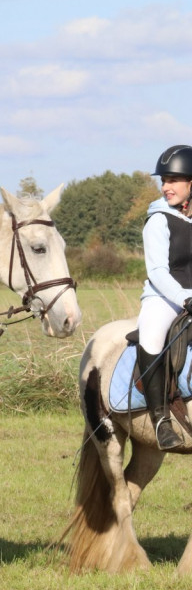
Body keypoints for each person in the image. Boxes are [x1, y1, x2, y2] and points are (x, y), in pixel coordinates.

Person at [136, 144, 192, 450]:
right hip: (164, 297)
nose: (166, 186)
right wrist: (184, 299)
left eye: (173, 180)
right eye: (164, 181)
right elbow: (158, 272)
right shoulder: (158, 219)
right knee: (152, 332)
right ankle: (160, 420)